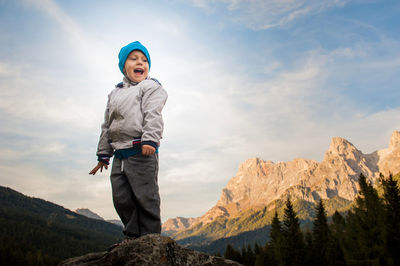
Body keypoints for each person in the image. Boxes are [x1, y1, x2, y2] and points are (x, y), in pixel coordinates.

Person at [89, 41, 168, 243]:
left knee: (145, 196)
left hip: (141, 152)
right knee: (122, 197)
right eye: (133, 59)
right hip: (120, 155)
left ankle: (150, 238)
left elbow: (153, 114)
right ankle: (132, 235)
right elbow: (107, 125)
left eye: (144, 60)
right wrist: (103, 155)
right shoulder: (114, 94)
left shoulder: (150, 87)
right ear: (124, 66)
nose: (140, 62)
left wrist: (151, 139)